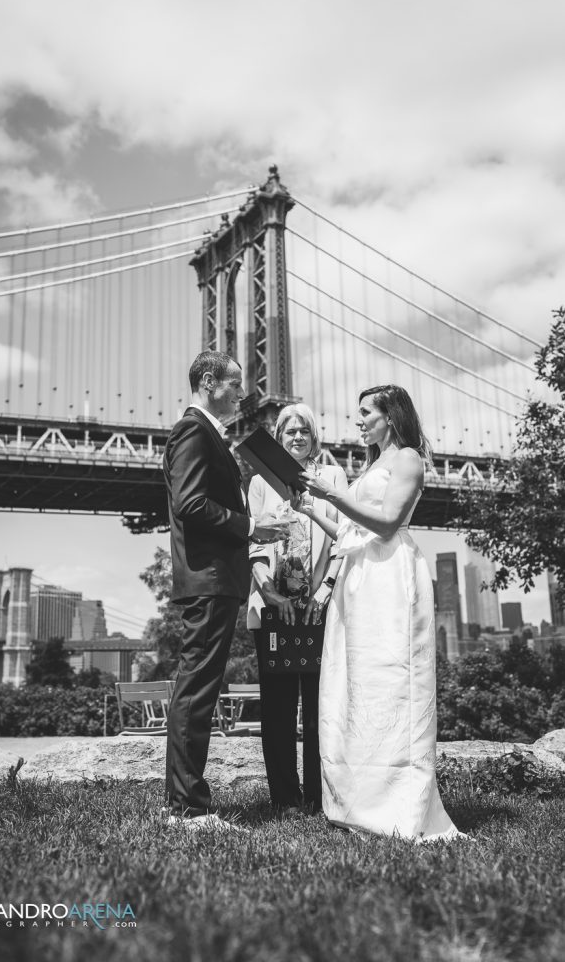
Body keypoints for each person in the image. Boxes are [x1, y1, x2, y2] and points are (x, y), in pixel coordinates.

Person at [295, 384, 462, 841]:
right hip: (360, 575)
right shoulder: (372, 464)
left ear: (391, 416)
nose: (359, 420)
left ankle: (398, 803)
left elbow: (388, 523)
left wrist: (331, 492)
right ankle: (362, 799)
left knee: (391, 681)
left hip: (389, 575)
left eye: (366, 412)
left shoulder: (407, 458)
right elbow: (352, 531)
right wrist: (312, 507)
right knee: (360, 685)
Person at [162, 350, 289, 828]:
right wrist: (251, 526)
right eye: (235, 383)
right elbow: (192, 505)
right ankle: (187, 809)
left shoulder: (206, 433)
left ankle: (183, 802)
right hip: (210, 579)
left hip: (215, 579)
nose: (242, 393)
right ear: (209, 381)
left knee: (199, 688)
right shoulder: (193, 431)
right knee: (196, 690)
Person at [247, 404, 348, 816]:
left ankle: (318, 797)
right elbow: (253, 544)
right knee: (278, 708)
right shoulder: (259, 482)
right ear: (278, 437)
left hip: (319, 607)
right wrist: (270, 592)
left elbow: (347, 538)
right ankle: (285, 800)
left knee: (321, 706)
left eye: (304, 430)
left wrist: (325, 588)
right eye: (288, 431)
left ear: (314, 437)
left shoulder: (334, 477)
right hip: (274, 606)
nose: (297, 437)